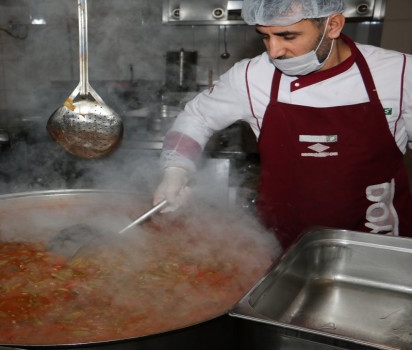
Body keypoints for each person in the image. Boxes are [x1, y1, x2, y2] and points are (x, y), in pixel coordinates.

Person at [153, 0, 412, 249]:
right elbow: (197, 117)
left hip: (376, 244)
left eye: (288, 36)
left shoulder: (399, 74)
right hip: (278, 246)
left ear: (333, 25)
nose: (274, 51)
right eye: (265, 36)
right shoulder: (250, 77)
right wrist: (175, 169)